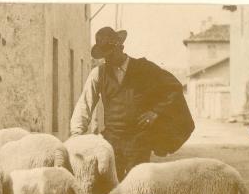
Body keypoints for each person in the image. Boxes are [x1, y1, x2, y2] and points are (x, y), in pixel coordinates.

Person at [70, 26, 194, 180]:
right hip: (111, 142)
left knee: (136, 187)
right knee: (109, 188)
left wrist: (156, 112)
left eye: (110, 53)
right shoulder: (98, 74)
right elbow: (85, 104)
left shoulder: (145, 69)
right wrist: (76, 135)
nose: (108, 59)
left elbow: (173, 87)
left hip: (139, 141)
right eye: (104, 56)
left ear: (121, 47)